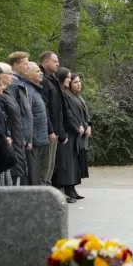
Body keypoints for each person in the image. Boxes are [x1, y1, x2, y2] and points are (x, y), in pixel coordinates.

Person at [5, 53, 38, 186]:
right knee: (17, 172)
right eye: (25, 64)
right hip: (17, 136)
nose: (27, 66)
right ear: (16, 65)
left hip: (23, 136)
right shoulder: (12, 84)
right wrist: (22, 137)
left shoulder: (20, 83)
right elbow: (13, 113)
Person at [52, 68, 81, 203]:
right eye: (68, 78)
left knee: (66, 163)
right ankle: (61, 191)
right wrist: (75, 127)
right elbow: (66, 114)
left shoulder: (64, 93)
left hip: (67, 131)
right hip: (63, 132)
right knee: (61, 164)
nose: (69, 80)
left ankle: (67, 190)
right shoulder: (61, 93)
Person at [38, 52, 65, 185]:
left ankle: (47, 188)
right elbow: (45, 108)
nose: (58, 64)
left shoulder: (52, 79)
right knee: (45, 165)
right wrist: (50, 130)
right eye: (55, 61)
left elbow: (57, 107)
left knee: (50, 165)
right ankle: (42, 191)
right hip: (49, 130)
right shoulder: (43, 79)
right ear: (46, 61)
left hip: (55, 129)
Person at [69, 74, 91, 197]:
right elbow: (75, 116)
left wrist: (89, 125)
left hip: (83, 132)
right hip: (77, 132)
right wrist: (83, 126)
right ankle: (69, 188)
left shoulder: (79, 97)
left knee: (79, 161)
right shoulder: (70, 97)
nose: (79, 84)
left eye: (79, 81)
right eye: (75, 82)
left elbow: (85, 114)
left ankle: (73, 187)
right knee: (74, 161)